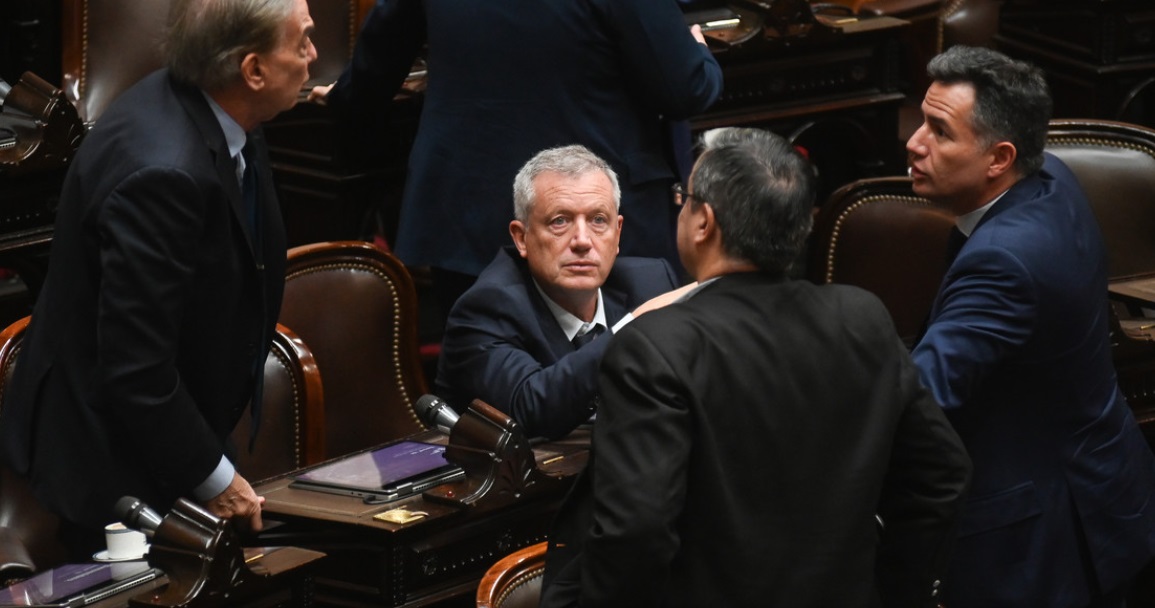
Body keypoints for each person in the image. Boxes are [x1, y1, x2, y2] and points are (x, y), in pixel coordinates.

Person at [540, 127, 972, 606]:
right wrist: (892, 590)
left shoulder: (655, 346)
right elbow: (941, 475)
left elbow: (636, 533)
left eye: (684, 200)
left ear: (703, 221)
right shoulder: (862, 318)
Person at [0, 0, 316, 554]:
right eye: (303, 41)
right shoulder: (164, 173)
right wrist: (217, 479)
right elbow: (137, 371)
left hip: (169, 433)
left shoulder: (222, 106)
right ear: (253, 70)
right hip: (112, 471)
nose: (315, 55)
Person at [907, 46, 1155, 607]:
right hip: (1102, 482)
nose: (915, 143)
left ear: (999, 157)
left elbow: (921, 399)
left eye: (940, 132)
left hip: (1043, 536)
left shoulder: (1006, 263)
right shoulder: (1049, 176)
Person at [310, 0, 723, 312]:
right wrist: (700, 51)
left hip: (467, 212)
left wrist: (344, 98)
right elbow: (684, 87)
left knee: (480, 401)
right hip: (590, 220)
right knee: (613, 391)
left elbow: (382, 53)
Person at [435, 144, 687, 440]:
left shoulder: (652, 282)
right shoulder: (487, 308)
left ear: (617, 234)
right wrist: (630, 331)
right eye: (560, 221)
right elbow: (528, 408)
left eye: (598, 220)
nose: (582, 240)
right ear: (521, 237)